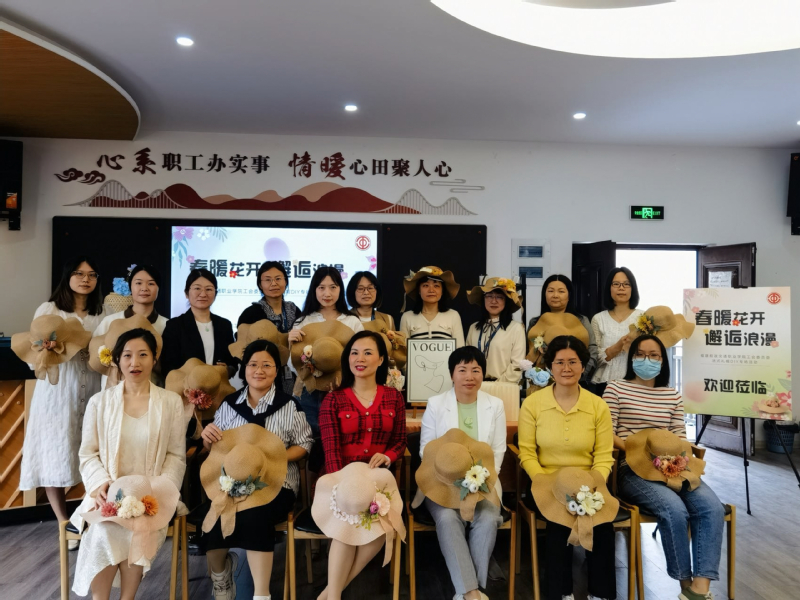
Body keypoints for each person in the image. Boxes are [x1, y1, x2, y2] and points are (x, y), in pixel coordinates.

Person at [604, 333, 724, 600]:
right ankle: (685, 584)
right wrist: (640, 452)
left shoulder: (672, 395)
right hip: (632, 467)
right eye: (640, 354)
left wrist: (673, 459)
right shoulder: (616, 389)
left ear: (663, 360)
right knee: (674, 509)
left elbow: (680, 436)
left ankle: (700, 589)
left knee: (711, 508)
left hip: (673, 466)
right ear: (631, 358)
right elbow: (607, 432)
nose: (646, 360)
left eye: (654, 355)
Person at [70, 328, 186, 598]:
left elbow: (176, 456)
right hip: (108, 496)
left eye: (143, 355)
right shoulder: (100, 402)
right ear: (117, 360)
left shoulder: (171, 403)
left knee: (137, 528)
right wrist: (100, 484)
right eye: (127, 355)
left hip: (152, 496)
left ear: (154, 358)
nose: (135, 362)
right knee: (104, 531)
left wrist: (158, 490)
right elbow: (88, 454)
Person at [200, 339, 313, 600]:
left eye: (267, 365)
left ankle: (261, 594)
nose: (259, 370)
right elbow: (214, 447)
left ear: (276, 370)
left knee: (256, 514)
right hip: (231, 483)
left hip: (277, 482)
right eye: (253, 364)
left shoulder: (289, 405)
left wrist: (272, 459)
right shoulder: (229, 405)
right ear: (244, 368)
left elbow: (305, 444)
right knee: (213, 516)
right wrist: (207, 438)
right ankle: (221, 578)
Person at [518, 336, 616, 600]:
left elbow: (604, 456)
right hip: (546, 483)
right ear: (550, 367)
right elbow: (527, 452)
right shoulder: (532, 404)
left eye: (573, 362)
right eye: (559, 362)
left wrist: (593, 485)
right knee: (558, 522)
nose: (566, 368)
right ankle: (561, 594)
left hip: (590, 484)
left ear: (583, 366)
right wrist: (543, 481)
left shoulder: (598, 405)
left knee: (603, 525)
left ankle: (601, 595)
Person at [314, 330, 407, 599]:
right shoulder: (334, 399)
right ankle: (333, 597)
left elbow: (400, 441)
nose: (360, 358)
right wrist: (345, 487)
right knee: (346, 529)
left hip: (378, 484)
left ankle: (328, 594)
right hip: (338, 482)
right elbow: (331, 451)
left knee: (380, 533)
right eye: (354, 353)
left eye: (367, 353)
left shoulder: (394, 397)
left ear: (381, 360)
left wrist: (388, 456)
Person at [414, 346, 507, 600]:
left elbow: (498, 451)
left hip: (483, 482)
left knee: (489, 518)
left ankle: (466, 592)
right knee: (447, 518)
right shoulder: (436, 404)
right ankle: (472, 592)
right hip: (441, 482)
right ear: (452, 374)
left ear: (483, 374)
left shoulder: (495, 405)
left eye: (476, 370)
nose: (469, 376)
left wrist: (483, 480)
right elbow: (426, 450)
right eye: (462, 370)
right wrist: (452, 475)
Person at [19, 256, 105, 527]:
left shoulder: (102, 313)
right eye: (79, 273)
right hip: (58, 393)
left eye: (91, 275)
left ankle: (89, 517)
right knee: (55, 450)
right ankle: (62, 521)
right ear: (67, 277)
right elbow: (34, 352)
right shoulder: (50, 308)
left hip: (93, 388)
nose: (85, 279)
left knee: (93, 453)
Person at [288, 267, 363, 438]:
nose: (327, 293)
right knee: (306, 441)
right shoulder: (303, 321)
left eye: (333, 287)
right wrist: (291, 345)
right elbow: (292, 366)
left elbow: (362, 359)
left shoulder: (352, 322)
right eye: (321, 287)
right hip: (308, 392)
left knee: (341, 439)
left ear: (340, 289)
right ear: (314, 290)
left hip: (343, 391)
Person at [94, 264, 169, 387]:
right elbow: (95, 356)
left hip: (152, 391)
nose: (144, 288)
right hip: (113, 390)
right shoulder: (110, 321)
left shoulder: (167, 325)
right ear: (130, 287)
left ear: (158, 288)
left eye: (151, 283)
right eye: (138, 283)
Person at [161, 268, 237, 380]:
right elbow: (168, 365)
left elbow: (233, 362)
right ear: (186, 293)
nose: (203, 294)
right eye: (197, 288)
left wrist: (227, 369)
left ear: (215, 293)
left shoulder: (224, 325)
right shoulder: (175, 326)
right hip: (186, 388)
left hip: (218, 387)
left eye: (209, 289)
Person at [237, 261, 300, 395]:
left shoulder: (294, 310)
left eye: (278, 279)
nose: (273, 283)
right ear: (260, 285)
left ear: (285, 281)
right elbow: (242, 350)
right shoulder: (251, 313)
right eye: (267, 280)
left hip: (295, 376)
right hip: (262, 378)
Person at [528, 274, 598, 387]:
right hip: (543, 383)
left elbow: (592, 349)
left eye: (561, 291)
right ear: (544, 294)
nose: (555, 295)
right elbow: (529, 351)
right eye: (551, 291)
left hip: (576, 382)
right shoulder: (534, 322)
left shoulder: (582, 320)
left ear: (569, 295)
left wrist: (581, 373)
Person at [590, 267, 643, 397]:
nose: (621, 288)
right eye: (616, 284)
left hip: (636, 383)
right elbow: (595, 357)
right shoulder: (598, 319)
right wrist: (618, 346)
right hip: (605, 384)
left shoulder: (643, 317)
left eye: (626, 284)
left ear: (633, 288)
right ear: (609, 288)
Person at [466, 277, 526, 383]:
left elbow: (517, 364)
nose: (494, 301)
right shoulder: (473, 328)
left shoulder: (516, 328)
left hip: (504, 386)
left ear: (506, 301)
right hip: (475, 385)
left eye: (499, 297)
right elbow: (467, 359)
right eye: (489, 296)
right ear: (483, 299)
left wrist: (497, 385)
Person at [399, 265, 465, 347]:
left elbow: (460, 350)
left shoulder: (453, 315)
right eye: (425, 285)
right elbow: (403, 351)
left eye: (436, 286)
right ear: (419, 290)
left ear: (442, 291)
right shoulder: (407, 317)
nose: (431, 290)